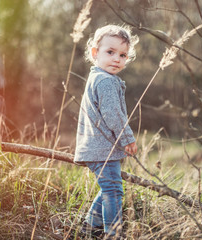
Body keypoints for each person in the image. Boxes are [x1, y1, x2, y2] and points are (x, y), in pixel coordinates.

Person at [73, 24, 139, 239]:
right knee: (114, 191)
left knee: (108, 187)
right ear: (95, 53)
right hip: (102, 149)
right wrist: (127, 137)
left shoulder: (97, 77)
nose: (117, 59)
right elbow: (113, 115)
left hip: (98, 148)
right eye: (110, 52)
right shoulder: (106, 81)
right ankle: (113, 234)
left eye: (123, 55)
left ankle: (90, 227)